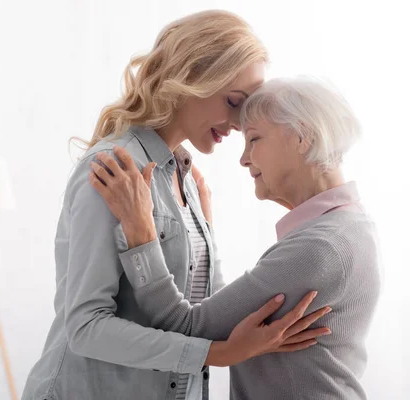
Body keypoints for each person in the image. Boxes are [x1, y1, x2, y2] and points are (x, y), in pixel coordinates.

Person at [22, 11, 330, 400]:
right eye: (234, 102)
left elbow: (199, 310)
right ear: (192, 76)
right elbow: (85, 327)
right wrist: (218, 354)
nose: (239, 124)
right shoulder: (115, 170)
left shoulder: (186, 178)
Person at [89, 76, 381, 399]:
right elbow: (230, 314)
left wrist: (141, 233)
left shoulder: (320, 248)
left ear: (302, 136)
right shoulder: (349, 226)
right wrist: (203, 235)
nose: (243, 159)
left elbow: (184, 326)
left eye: (254, 139)